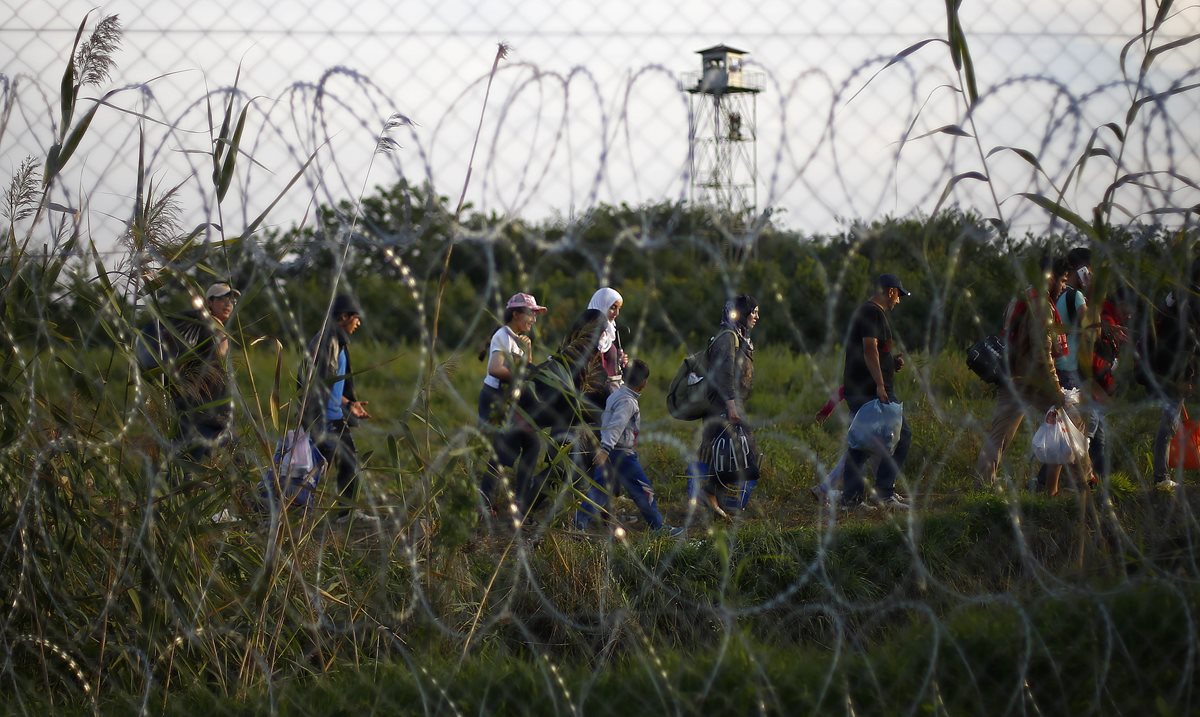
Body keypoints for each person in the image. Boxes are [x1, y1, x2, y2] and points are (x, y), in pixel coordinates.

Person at [975, 257, 1093, 492]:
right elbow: (1043, 353)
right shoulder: (1041, 306)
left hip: (1013, 377)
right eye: (1062, 280)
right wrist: (1056, 389)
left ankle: (982, 486)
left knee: (999, 434)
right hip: (1035, 381)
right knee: (1073, 420)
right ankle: (1085, 482)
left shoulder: (1023, 296)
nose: (1063, 286)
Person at [499, 309, 608, 519]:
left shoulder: (568, 351)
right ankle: (525, 510)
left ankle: (526, 508)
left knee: (564, 471)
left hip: (562, 420)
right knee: (562, 470)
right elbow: (590, 394)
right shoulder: (583, 356)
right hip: (568, 422)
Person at [574, 359, 682, 536]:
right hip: (622, 454)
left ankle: (579, 521)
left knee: (600, 489)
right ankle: (658, 527)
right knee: (644, 490)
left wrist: (604, 448)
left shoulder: (616, 395)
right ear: (643, 383)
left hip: (610, 452)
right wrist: (605, 448)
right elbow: (616, 425)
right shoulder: (628, 402)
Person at [166, 281, 241, 523]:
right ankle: (180, 517)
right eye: (222, 298)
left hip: (217, 414)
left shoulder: (218, 330)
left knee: (235, 460)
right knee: (187, 466)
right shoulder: (203, 327)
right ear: (209, 302)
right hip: (200, 413)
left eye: (232, 299)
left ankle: (222, 512)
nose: (228, 303)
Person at [300, 294, 376, 525]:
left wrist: (348, 403)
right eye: (356, 317)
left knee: (327, 465)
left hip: (332, 415)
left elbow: (330, 384)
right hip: (324, 418)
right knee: (313, 468)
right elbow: (313, 383)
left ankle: (342, 513)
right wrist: (316, 419)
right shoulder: (326, 342)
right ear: (343, 317)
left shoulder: (337, 341)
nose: (358, 323)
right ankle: (293, 510)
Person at [839, 274, 913, 510]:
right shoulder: (872, 312)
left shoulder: (870, 312)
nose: (898, 301)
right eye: (899, 295)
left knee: (864, 444)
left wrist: (891, 362)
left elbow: (877, 352)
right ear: (890, 291)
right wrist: (880, 384)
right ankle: (881, 493)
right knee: (900, 437)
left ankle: (857, 497)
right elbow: (869, 349)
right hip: (870, 390)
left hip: (868, 388)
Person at [477, 292, 546, 509]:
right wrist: (521, 372)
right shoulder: (503, 335)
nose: (533, 320)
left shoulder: (519, 338)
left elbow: (526, 367)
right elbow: (495, 369)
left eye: (535, 316)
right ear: (516, 314)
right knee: (503, 451)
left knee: (531, 445)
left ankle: (519, 498)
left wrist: (528, 350)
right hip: (496, 398)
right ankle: (485, 501)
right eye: (530, 314)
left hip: (511, 399)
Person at [698, 295, 760, 516]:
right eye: (753, 312)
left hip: (730, 403)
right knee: (743, 453)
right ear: (742, 313)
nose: (756, 317)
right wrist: (731, 406)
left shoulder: (739, 336)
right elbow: (725, 374)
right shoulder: (728, 337)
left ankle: (717, 499)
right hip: (724, 405)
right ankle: (713, 496)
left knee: (725, 454)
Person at [1144, 257, 1200, 492]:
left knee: (1171, 422)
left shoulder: (1175, 295)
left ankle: (1162, 475)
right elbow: (1187, 342)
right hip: (1175, 370)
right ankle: (1161, 477)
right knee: (1168, 425)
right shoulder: (1191, 299)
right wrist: (1186, 376)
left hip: (1165, 366)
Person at [586, 287, 628, 394]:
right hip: (593, 393)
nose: (617, 313)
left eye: (619, 308)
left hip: (610, 391)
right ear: (602, 305)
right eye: (613, 307)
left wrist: (618, 361)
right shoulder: (589, 331)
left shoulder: (609, 332)